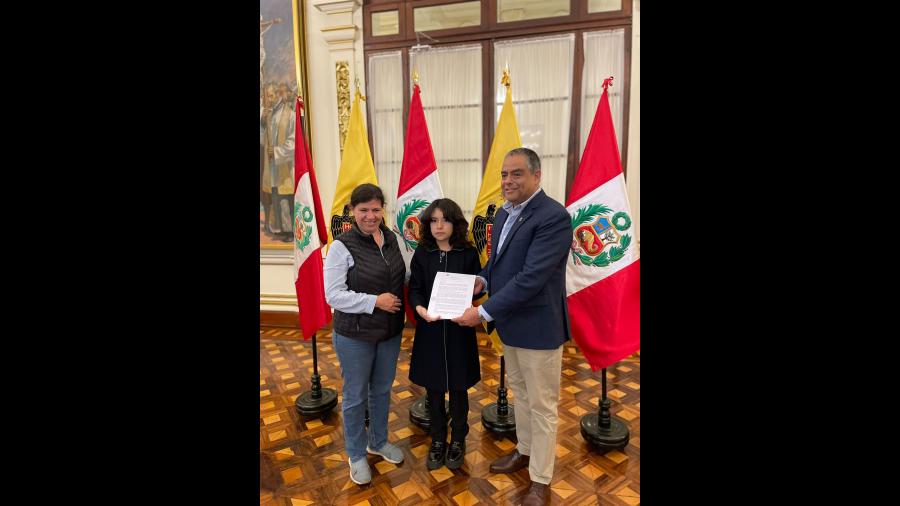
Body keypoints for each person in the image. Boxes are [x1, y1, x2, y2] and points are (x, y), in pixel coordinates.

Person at [453, 147, 572, 506]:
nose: (508, 181)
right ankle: (524, 450)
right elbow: (500, 264)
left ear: (537, 175)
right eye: (504, 174)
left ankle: (540, 479)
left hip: (539, 328)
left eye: (516, 173)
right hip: (512, 325)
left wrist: (483, 312)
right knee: (521, 393)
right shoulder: (505, 213)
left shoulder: (553, 217)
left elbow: (531, 278)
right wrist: (481, 280)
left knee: (542, 405)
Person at [323, 183, 407, 485]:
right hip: (354, 336)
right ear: (352, 211)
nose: (370, 216)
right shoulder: (341, 247)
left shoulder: (392, 239)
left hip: (390, 332)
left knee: (382, 390)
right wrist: (375, 302)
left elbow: (401, 275)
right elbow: (333, 295)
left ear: (383, 209)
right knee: (356, 396)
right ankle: (356, 454)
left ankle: (378, 442)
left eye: (376, 209)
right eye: (363, 210)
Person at [407, 199, 482, 471]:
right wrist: (420, 310)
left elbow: (479, 287)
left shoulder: (468, 253)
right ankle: (438, 438)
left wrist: (476, 292)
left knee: (459, 388)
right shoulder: (422, 253)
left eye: (445, 220)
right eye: (434, 221)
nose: (439, 226)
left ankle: (458, 438)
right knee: (434, 389)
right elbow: (415, 289)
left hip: (460, 331)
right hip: (431, 329)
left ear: (455, 223)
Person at [261, 82, 295, 242]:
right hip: (274, 166)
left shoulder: (290, 115)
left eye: (271, 95)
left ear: (278, 95)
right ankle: (280, 228)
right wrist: (263, 122)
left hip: (285, 165)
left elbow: (293, 142)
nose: (269, 99)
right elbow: (265, 138)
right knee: (276, 197)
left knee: (285, 199)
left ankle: (289, 231)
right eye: (267, 96)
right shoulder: (271, 115)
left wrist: (275, 151)